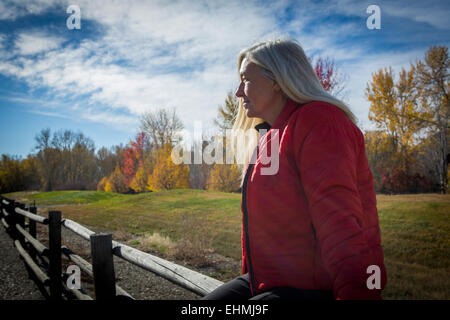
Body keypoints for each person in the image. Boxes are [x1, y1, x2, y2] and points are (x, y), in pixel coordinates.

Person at [202, 39, 387, 300]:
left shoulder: (320, 122)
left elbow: (341, 224)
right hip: (270, 280)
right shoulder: (270, 135)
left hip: (318, 288)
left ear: (277, 80)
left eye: (245, 80)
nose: (238, 93)